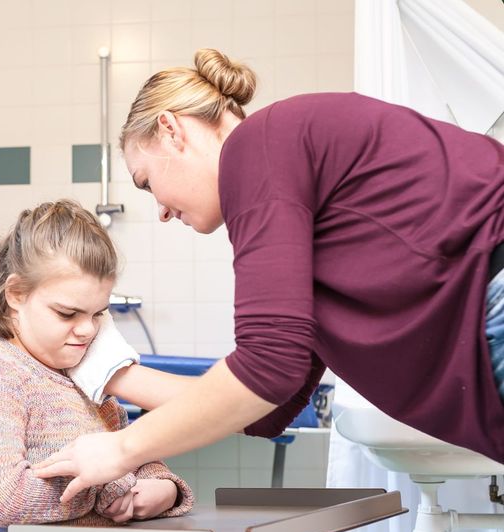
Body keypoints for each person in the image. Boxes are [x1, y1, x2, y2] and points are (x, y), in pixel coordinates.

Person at [32, 48, 504, 503]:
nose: (159, 210)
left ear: (171, 130)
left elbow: (267, 368)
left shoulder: (258, 145)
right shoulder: (283, 167)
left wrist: (120, 449)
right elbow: (268, 404)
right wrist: (110, 373)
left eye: (146, 182)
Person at [0, 199, 339, 532]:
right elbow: (2, 499)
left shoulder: (85, 375)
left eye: (99, 313)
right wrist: (108, 489)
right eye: (68, 314)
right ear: (15, 294)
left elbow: (144, 461)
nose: (86, 330)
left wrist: (162, 491)